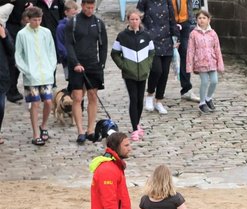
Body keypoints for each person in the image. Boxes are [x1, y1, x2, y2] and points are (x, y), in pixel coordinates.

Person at [65, 0, 107, 144]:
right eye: (87, 7)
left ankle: (90, 130)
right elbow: (68, 45)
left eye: (92, 7)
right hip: (77, 65)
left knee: (93, 97)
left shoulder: (99, 23)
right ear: (82, 6)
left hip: (93, 65)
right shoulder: (73, 22)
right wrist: (75, 63)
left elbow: (103, 45)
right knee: (77, 97)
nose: (90, 10)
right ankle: (80, 131)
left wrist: (101, 64)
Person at [15, 6, 56, 146]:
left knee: (49, 102)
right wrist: (26, 70)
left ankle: (43, 126)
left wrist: (51, 67)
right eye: (34, 20)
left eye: (39, 19)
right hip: (31, 75)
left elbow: (51, 51)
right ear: (28, 19)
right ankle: (35, 133)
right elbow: (18, 55)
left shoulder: (46, 32)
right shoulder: (22, 34)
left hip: (46, 74)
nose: (37, 22)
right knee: (35, 103)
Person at [111, 8, 154, 141]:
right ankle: (135, 128)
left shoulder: (146, 36)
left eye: (137, 19)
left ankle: (137, 123)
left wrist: (147, 65)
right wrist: (124, 66)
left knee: (140, 100)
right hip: (129, 74)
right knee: (133, 99)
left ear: (140, 20)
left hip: (142, 73)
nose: (134, 22)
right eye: (132, 19)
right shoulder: (122, 36)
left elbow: (152, 52)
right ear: (128, 20)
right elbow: (114, 53)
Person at [137, 0, 178, 115]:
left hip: (166, 40)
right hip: (151, 41)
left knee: (164, 72)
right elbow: (137, 17)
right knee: (156, 70)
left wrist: (176, 36)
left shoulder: (167, 1)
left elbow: (172, 19)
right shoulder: (144, 1)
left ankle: (159, 100)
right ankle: (150, 95)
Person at [186, 9, 223, 113]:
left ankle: (208, 98)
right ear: (197, 20)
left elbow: (217, 49)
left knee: (214, 81)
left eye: (204, 18)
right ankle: (202, 103)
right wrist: (189, 65)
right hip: (200, 61)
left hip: (212, 61)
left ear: (209, 20)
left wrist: (220, 64)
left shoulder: (213, 33)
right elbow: (190, 50)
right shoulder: (193, 34)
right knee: (205, 81)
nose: (201, 20)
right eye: (199, 18)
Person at [170, 0, 198, 102]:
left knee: (185, 54)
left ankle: (186, 89)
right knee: (164, 55)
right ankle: (157, 89)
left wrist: (192, 22)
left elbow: (195, 6)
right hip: (167, 24)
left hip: (185, 24)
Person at [55, 0, 77, 83]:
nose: (74, 16)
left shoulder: (78, 24)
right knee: (72, 82)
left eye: (76, 14)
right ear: (66, 12)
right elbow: (60, 46)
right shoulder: (61, 27)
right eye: (73, 14)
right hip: (68, 61)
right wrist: (69, 57)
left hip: (79, 58)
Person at [0, 20, 13, 144]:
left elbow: (11, 50)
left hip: (1, 75)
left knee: (1, 106)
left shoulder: (3, 30)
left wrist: (4, 36)